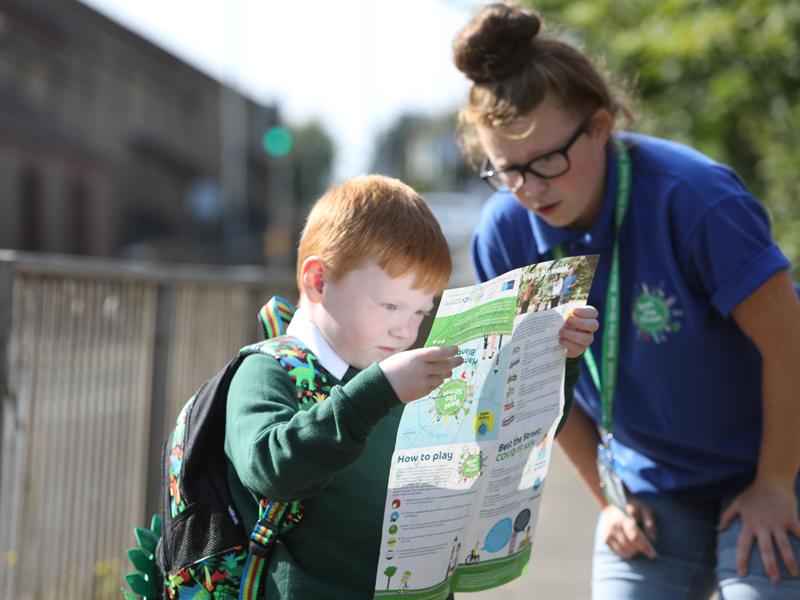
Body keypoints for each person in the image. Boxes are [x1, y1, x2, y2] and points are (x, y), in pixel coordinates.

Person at [452, 3, 800, 599]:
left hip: (774, 460)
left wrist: (774, 483)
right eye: (508, 171)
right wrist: (607, 498)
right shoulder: (504, 234)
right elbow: (538, 386)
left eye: (547, 163)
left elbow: (788, 340)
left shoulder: (695, 199)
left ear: (601, 126)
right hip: (651, 485)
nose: (530, 191)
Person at [223, 174, 598, 598]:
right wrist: (377, 391)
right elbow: (272, 470)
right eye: (390, 305)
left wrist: (557, 359)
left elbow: (510, 445)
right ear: (318, 282)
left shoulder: (394, 372)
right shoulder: (269, 369)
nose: (406, 329)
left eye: (421, 311)